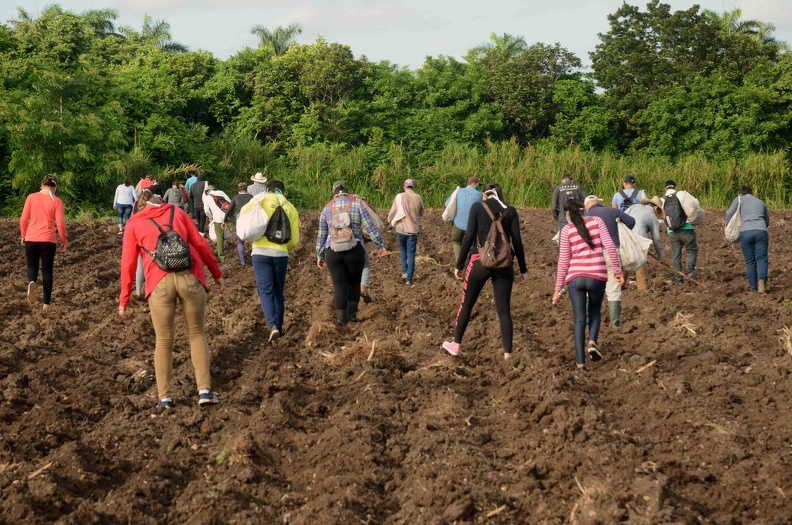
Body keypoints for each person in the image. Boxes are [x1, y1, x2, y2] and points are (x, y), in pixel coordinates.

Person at [119, 191, 223, 409]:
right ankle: (204, 391)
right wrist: (216, 273)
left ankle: (164, 397)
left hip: (159, 283)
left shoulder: (135, 222)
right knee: (196, 333)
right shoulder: (178, 213)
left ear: (140, 205)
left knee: (164, 341)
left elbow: (128, 262)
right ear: (162, 202)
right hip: (190, 276)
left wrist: (124, 298)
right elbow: (201, 244)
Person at [443, 183, 527, 360]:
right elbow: (517, 242)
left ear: (486, 194)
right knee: (504, 310)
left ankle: (456, 344)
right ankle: (508, 354)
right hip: (504, 265)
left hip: (480, 262)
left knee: (467, 304)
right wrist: (523, 268)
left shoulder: (478, 207)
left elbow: (468, 238)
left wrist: (459, 265)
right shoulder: (510, 211)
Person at [553, 200, 624, 368]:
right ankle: (592, 342)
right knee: (594, 312)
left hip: (575, 279)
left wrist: (557, 288)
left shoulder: (566, 230)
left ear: (567, 214)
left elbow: (563, 261)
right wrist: (618, 272)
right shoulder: (597, 222)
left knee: (579, 320)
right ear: (584, 211)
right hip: (596, 276)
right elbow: (610, 247)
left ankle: (579, 363)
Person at [316, 181, 388, 325]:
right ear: (347, 191)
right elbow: (370, 226)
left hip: (333, 251)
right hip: (354, 250)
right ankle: (352, 315)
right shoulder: (356, 204)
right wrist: (381, 245)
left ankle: (341, 319)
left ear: (334, 192)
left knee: (339, 284)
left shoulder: (327, 208)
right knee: (354, 283)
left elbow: (322, 235)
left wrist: (319, 255)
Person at [247, 180, 301, 341]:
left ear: (267, 188)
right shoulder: (289, 206)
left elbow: (245, 224)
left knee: (265, 290)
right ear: (282, 191)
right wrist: (284, 247)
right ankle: (279, 324)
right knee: (278, 290)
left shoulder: (258, 200)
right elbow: (294, 240)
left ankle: (273, 325)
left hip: (260, 253)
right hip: (281, 254)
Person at [584, 195, 635, 327]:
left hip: (594, 255)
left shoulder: (585, 218)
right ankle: (615, 322)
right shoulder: (612, 211)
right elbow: (631, 222)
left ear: (587, 206)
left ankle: (589, 319)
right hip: (613, 252)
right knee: (613, 287)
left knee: (592, 287)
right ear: (598, 203)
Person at [20, 175, 68, 310]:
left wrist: (23, 234)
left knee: (32, 265)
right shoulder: (57, 201)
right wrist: (64, 239)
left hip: (31, 237)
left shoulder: (31, 197)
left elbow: (23, 219)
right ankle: (46, 304)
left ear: (41, 186)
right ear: (55, 188)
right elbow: (60, 224)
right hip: (48, 240)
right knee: (47, 270)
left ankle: (32, 281)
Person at [725, 186, 770, 293]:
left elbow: (728, 214)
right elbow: (767, 220)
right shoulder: (760, 201)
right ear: (751, 193)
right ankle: (761, 282)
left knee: (750, 261)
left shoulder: (739, 199)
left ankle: (753, 287)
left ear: (741, 193)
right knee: (762, 258)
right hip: (761, 231)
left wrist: (728, 225)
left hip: (746, 232)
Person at [662, 180, 702, 284]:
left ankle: (679, 279)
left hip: (672, 232)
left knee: (676, 255)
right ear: (675, 186)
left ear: (665, 188)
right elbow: (694, 205)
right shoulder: (681, 195)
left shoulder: (662, 200)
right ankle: (689, 272)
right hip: (687, 229)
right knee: (691, 250)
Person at [387, 179, 424, 285]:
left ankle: (404, 272)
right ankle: (409, 279)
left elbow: (393, 211)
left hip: (400, 229)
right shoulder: (418, 197)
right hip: (412, 230)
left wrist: (389, 220)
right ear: (413, 187)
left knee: (403, 250)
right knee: (411, 254)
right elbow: (421, 212)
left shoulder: (399, 196)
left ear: (404, 187)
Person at [626, 198, 665, 290]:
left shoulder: (633, 207)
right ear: (655, 208)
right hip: (638, 238)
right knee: (640, 263)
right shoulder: (652, 217)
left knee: (625, 260)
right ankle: (642, 290)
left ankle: (619, 285)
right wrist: (661, 257)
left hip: (624, 236)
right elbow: (657, 239)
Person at [444, 177, 482, 266]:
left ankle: (459, 263)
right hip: (471, 228)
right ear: (474, 183)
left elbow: (447, 204)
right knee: (470, 246)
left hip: (457, 225)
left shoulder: (458, 191)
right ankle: (469, 265)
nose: (479, 187)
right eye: (478, 185)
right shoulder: (480, 195)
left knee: (456, 241)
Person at [202, 184, 231, 263]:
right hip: (226, 215)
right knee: (226, 232)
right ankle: (227, 247)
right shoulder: (221, 192)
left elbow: (206, 210)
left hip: (218, 218)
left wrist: (210, 217)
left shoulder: (207, 198)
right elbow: (230, 202)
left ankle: (221, 256)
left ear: (207, 191)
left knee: (219, 236)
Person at [227, 182, 253, 266]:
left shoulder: (235, 197)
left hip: (240, 219)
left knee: (240, 241)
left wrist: (225, 219)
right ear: (246, 189)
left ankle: (242, 261)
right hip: (250, 219)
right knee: (254, 240)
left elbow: (229, 210)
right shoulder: (251, 197)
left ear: (239, 189)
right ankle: (254, 258)